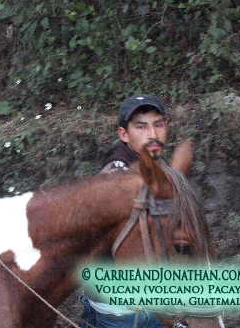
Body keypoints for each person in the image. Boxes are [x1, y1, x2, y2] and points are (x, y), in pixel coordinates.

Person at [80, 94, 168, 328]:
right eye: (141, 127)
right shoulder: (117, 176)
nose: (153, 134)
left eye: (158, 125)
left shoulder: (152, 163)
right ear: (124, 134)